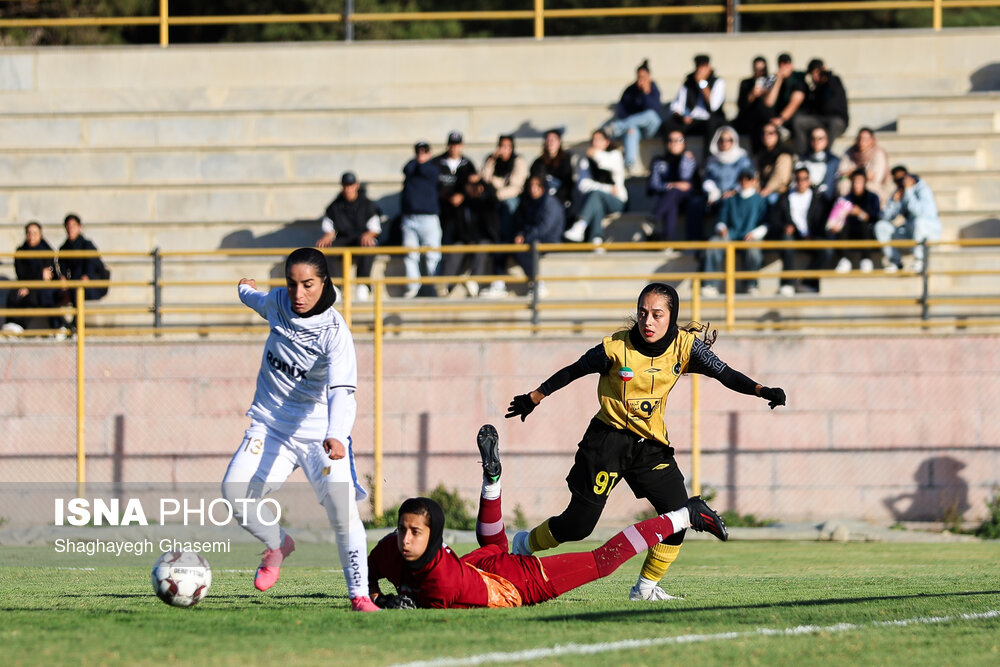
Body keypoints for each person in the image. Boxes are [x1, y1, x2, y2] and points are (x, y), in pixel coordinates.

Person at [504, 283, 786, 602]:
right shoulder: (614, 348)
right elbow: (573, 370)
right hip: (606, 443)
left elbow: (727, 374)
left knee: (679, 515)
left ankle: (645, 589)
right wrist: (534, 397)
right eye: (642, 313)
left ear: (671, 317)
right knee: (578, 526)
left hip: (650, 447)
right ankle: (524, 545)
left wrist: (763, 391)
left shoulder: (686, 347)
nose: (648, 321)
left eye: (656, 314)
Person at [367, 424, 729, 610]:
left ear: (435, 539)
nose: (406, 539)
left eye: (415, 532)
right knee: (493, 546)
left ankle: (686, 514)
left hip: (515, 583)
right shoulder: (390, 549)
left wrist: (393, 603)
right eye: (402, 531)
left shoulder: (444, 583)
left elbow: (438, 604)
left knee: (601, 562)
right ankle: (491, 482)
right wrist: (376, 597)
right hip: (481, 563)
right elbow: (368, 573)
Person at [221, 247, 379, 612]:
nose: (298, 294)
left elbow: (342, 391)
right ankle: (278, 545)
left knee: (342, 512)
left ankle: (358, 595)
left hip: (320, 436)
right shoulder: (278, 303)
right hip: (270, 427)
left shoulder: (335, 331)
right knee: (234, 493)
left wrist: (337, 433)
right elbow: (254, 299)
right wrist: (243, 288)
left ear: (324, 282)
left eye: (308, 285)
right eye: (292, 284)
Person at [702, 169, 770, 297]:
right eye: (742, 179)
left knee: (754, 250)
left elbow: (765, 223)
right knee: (713, 244)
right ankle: (710, 283)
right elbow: (721, 219)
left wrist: (755, 234)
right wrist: (721, 228)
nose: (744, 182)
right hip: (731, 234)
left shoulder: (760, 200)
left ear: (753, 181)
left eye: (748, 179)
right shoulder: (730, 199)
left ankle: (751, 284)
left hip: (751, 236)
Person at [316, 172, 382, 302]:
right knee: (326, 249)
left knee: (370, 244)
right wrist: (328, 236)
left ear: (356, 185)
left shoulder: (367, 205)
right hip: (343, 239)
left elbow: (375, 228)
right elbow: (329, 228)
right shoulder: (335, 206)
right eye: (345, 185)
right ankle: (335, 287)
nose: (348, 189)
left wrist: (369, 235)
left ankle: (363, 285)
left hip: (361, 239)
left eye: (350, 185)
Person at [771, 165, 833, 295]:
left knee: (827, 250)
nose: (801, 182)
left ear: (809, 180)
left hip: (812, 236)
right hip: (793, 236)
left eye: (804, 179)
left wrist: (814, 234)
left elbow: (822, 221)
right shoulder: (785, 197)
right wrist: (785, 226)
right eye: (798, 179)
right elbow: (775, 219)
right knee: (786, 240)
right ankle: (788, 283)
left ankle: (808, 282)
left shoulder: (818, 198)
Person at [563, 129, 627, 248]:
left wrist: (595, 154)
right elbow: (583, 185)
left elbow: (607, 163)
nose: (594, 143)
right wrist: (607, 188)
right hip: (597, 199)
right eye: (593, 140)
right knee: (597, 200)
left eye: (598, 140)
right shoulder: (585, 161)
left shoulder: (615, 155)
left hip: (617, 200)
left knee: (596, 194)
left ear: (606, 142)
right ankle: (596, 239)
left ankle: (581, 224)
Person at [874, 165, 941, 273]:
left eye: (902, 179)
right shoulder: (899, 193)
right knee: (881, 226)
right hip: (910, 233)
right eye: (897, 180)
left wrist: (909, 191)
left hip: (928, 232)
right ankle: (895, 262)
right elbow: (886, 217)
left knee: (919, 222)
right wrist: (894, 202)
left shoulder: (923, 190)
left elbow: (918, 213)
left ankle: (920, 260)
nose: (901, 182)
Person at [604, 59, 664, 177]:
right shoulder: (630, 91)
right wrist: (631, 125)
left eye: (643, 76)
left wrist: (646, 93)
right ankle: (630, 165)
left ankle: (617, 127)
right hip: (635, 128)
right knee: (631, 132)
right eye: (639, 77)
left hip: (651, 128)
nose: (641, 80)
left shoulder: (653, 88)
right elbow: (622, 111)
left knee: (650, 115)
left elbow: (656, 111)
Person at [401, 141, 442, 298]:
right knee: (410, 254)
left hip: (428, 217)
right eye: (418, 151)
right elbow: (406, 168)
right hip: (410, 217)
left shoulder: (432, 168)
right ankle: (412, 287)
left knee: (433, 255)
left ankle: (434, 286)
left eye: (424, 151)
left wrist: (421, 163)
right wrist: (417, 162)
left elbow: (427, 171)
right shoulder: (412, 167)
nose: (421, 154)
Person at [666, 54, 726, 159]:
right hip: (692, 119)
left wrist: (702, 83)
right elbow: (676, 106)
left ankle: (707, 160)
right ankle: (675, 157)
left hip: (710, 120)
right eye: (699, 67)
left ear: (709, 68)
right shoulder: (688, 83)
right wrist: (682, 117)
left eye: (703, 67)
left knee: (711, 125)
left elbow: (713, 106)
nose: (700, 70)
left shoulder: (718, 82)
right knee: (670, 125)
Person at [8, 221, 61, 330]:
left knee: (37, 295)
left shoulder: (47, 251)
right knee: (14, 294)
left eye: (35, 233)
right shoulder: (21, 251)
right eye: (29, 233)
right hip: (25, 285)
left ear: (40, 235)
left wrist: (30, 286)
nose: (31, 236)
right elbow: (21, 273)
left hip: (43, 288)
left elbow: (48, 276)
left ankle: (57, 326)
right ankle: (11, 324)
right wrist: (38, 276)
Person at [647, 130, 699, 241]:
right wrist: (671, 185)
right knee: (672, 197)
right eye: (670, 140)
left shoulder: (688, 159)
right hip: (666, 199)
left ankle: (654, 218)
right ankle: (668, 240)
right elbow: (653, 185)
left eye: (679, 140)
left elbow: (687, 180)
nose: (674, 143)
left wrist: (685, 159)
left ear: (684, 143)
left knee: (674, 193)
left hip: (686, 200)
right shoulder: (658, 161)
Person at [792, 59, 849, 156]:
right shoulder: (815, 89)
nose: (815, 76)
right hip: (820, 120)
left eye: (818, 73)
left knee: (834, 123)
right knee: (799, 121)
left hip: (836, 119)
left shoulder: (834, 81)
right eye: (813, 74)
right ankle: (802, 155)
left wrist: (827, 75)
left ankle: (825, 154)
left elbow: (833, 100)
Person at [832, 168, 882, 273]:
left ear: (865, 182)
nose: (856, 185)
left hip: (867, 234)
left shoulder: (872, 197)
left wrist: (860, 213)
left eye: (859, 181)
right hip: (849, 233)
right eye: (854, 181)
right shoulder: (845, 199)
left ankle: (866, 259)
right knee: (841, 225)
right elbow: (836, 218)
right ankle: (844, 259)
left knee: (864, 223)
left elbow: (875, 218)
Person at [58, 213, 109, 306]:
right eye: (68, 226)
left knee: (76, 290)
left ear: (79, 227)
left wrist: (87, 276)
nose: (70, 229)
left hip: (91, 286)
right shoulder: (64, 248)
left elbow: (93, 265)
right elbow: (62, 267)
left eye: (73, 226)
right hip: (74, 285)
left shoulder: (87, 245)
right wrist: (63, 278)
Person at [701, 126, 753, 209]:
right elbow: (708, 179)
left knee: (728, 201)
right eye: (721, 140)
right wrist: (713, 192)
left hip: (737, 194)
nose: (724, 143)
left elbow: (747, 178)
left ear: (734, 141)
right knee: (696, 203)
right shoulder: (712, 160)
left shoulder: (742, 159)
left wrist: (734, 191)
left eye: (729, 140)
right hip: (716, 195)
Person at [763, 53, 807, 148]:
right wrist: (778, 79)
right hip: (775, 116)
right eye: (781, 65)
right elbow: (768, 102)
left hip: (793, 116)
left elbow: (797, 99)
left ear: (791, 65)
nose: (783, 67)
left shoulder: (799, 76)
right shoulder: (772, 78)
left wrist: (781, 119)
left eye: (786, 64)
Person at [735, 56, 777, 154]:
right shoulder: (746, 83)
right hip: (749, 120)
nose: (760, 72)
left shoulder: (771, 81)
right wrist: (752, 95)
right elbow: (741, 105)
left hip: (766, 119)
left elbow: (770, 103)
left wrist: (766, 92)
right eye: (757, 69)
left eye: (762, 70)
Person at [529, 129, 575, 217]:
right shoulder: (538, 162)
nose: (550, 143)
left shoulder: (566, 160)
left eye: (553, 140)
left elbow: (568, 184)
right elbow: (533, 182)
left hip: (560, 201)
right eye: (548, 140)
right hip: (541, 200)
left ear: (559, 142)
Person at [837, 127, 890, 201]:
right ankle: (846, 209)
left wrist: (853, 173)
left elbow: (877, 178)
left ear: (872, 140)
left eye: (865, 139)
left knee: (870, 188)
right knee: (843, 184)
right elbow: (841, 173)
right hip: (852, 183)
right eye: (860, 138)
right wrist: (861, 174)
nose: (862, 141)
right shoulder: (850, 151)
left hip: (871, 185)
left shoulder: (878, 153)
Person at [755, 122, 793, 206]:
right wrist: (757, 188)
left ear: (777, 135)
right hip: (762, 191)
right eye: (763, 133)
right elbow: (756, 175)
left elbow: (781, 177)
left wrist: (766, 190)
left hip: (778, 193)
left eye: (770, 133)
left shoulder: (784, 155)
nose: (766, 136)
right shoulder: (760, 155)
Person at [799, 126, 841, 201]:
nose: (816, 141)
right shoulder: (801, 159)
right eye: (813, 138)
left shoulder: (834, 161)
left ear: (827, 140)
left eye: (820, 138)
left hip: (825, 200)